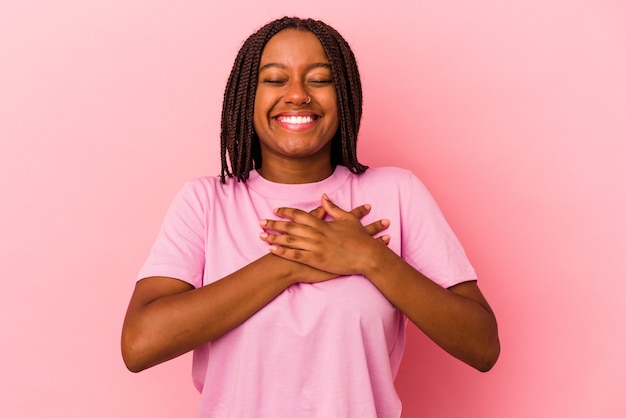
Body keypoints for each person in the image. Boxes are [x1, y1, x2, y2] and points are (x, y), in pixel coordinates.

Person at [121, 16, 500, 417]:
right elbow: (140, 344)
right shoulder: (206, 202)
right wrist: (288, 263)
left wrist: (371, 259)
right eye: (274, 79)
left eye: (320, 79)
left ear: (345, 97)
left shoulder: (396, 193)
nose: (298, 95)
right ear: (247, 96)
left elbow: (482, 345)